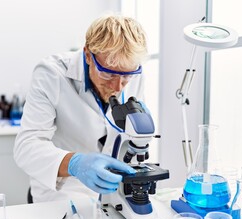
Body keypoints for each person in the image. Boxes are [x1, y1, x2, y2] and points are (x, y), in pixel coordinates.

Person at [13, 14, 149, 202]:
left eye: (127, 76)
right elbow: (26, 147)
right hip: (60, 196)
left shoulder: (133, 73)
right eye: (109, 75)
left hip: (112, 194)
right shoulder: (52, 74)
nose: (118, 87)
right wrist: (75, 164)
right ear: (88, 55)